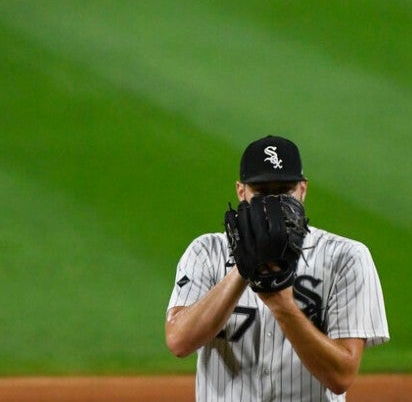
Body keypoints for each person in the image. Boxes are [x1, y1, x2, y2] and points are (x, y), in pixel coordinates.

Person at [166, 135, 389, 401]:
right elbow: (179, 341)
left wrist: (282, 305)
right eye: (261, 192)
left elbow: (341, 376)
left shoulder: (346, 258)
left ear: (303, 190)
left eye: (284, 191)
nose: (273, 203)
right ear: (241, 191)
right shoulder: (206, 252)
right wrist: (244, 268)